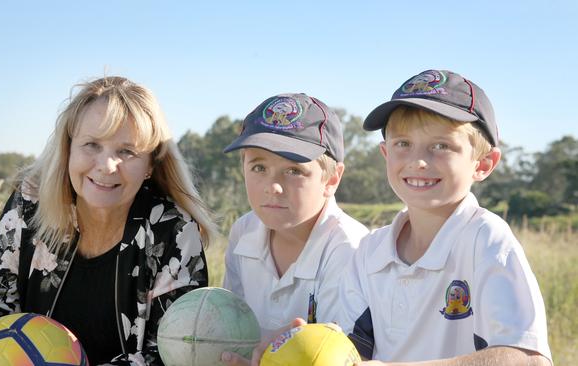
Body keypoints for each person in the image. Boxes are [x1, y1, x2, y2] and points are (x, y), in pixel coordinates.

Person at [0, 76, 218, 365]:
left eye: (127, 151)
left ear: (150, 164)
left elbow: (173, 354)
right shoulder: (29, 205)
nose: (106, 166)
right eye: (92, 144)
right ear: (68, 148)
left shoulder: (174, 230)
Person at [337, 69, 553, 365]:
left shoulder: (485, 239)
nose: (419, 161)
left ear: (483, 164)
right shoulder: (369, 251)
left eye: (441, 146)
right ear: (386, 153)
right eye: (403, 144)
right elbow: (351, 353)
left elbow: (528, 359)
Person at [221, 93, 369, 338]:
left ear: (331, 179)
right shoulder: (243, 231)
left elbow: (333, 352)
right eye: (259, 168)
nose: (273, 187)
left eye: (293, 170)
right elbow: (230, 330)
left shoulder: (349, 248)